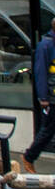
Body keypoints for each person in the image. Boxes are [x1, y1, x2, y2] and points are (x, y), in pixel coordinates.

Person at [24, 18, 55, 172]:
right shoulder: (46, 45)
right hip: (52, 96)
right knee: (49, 129)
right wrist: (43, 97)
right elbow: (41, 72)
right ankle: (29, 157)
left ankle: (30, 156)